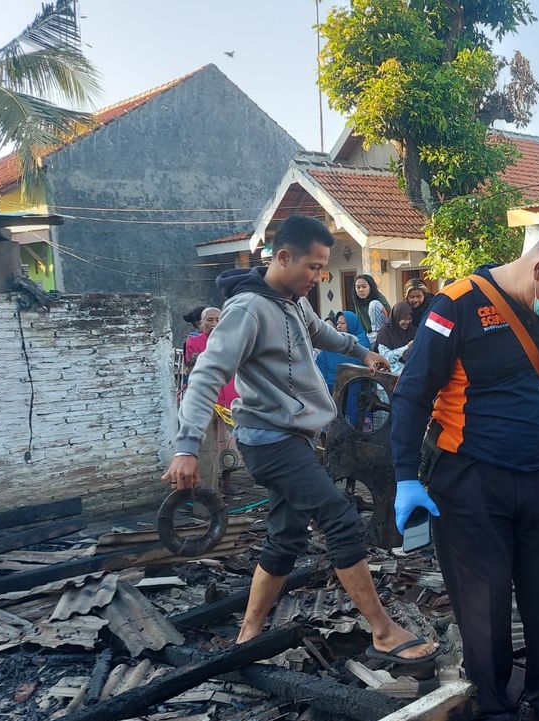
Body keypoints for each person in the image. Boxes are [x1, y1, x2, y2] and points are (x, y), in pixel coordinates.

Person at [163, 215, 437, 664]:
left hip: (296, 438)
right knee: (342, 519)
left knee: (286, 536)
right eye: (312, 267)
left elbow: (323, 333)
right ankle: (383, 631)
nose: (318, 277)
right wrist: (186, 447)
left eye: (323, 268)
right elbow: (208, 376)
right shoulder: (248, 310)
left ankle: (247, 636)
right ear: (283, 257)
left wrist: (362, 350)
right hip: (270, 442)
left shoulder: (293, 302)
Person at [391, 226, 539, 721]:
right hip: (470, 480)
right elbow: (413, 392)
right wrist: (403, 478)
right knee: (483, 604)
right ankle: (493, 711)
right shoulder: (457, 304)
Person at [183, 307, 239, 409]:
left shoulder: (235, 341)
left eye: (218, 320)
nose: (214, 324)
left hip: (234, 395)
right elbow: (194, 370)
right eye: (210, 320)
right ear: (200, 323)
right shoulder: (193, 343)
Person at [373, 301, 415, 372]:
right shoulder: (385, 331)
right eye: (404, 319)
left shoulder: (412, 330)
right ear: (397, 317)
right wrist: (407, 347)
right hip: (388, 371)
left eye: (409, 319)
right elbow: (385, 358)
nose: (407, 322)